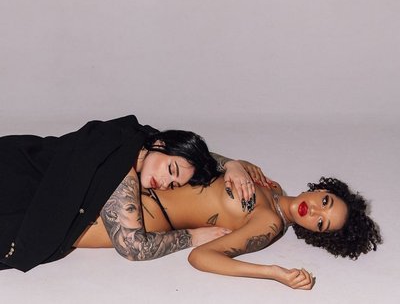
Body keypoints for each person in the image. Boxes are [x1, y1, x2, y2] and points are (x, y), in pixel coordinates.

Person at [0, 115, 266, 272]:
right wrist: (193, 236)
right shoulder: (121, 170)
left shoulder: (139, 136)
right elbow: (133, 247)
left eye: (174, 184)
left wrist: (231, 165)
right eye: (170, 170)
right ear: (160, 144)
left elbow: (188, 155)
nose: (165, 183)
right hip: (16, 179)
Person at [75, 173, 381, 290]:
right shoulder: (272, 185)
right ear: (323, 190)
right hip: (130, 183)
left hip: (132, 218)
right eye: (325, 202)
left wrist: (273, 272)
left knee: (51, 228)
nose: (313, 211)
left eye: (321, 222)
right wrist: (233, 163)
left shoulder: (269, 224)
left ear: (315, 232)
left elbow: (201, 257)